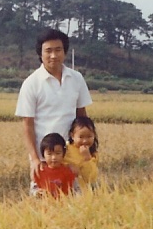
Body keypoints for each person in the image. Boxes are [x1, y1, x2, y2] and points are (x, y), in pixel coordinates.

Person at [15, 28, 92, 184]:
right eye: (48, 51)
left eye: (58, 50)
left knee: (76, 198)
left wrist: (87, 148)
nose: (53, 55)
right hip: (46, 156)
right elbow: (27, 126)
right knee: (44, 200)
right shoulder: (31, 84)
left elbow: (82, 116)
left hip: (72, 154)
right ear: (40, 53)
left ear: (65, 52)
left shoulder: (76, 78)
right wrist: (35, 159)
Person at [32, 133, 77, 198]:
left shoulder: (68, 171)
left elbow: (76, 190)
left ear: (64, 153)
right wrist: (37, 193)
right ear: (43, 154)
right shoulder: (39, 172)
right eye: (49, 154)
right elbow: (33, 190)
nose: (54, 157)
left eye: (58, 153)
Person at [65, 116, 99, 186]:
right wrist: (68, 166)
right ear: (72, 136)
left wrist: (87, 158)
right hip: (67, 189)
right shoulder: (67, 149)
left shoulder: (93, 154)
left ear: (94, 135)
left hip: (83, 192)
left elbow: (91, 178)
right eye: (81, 137)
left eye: (89, 136)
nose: (85, 141)